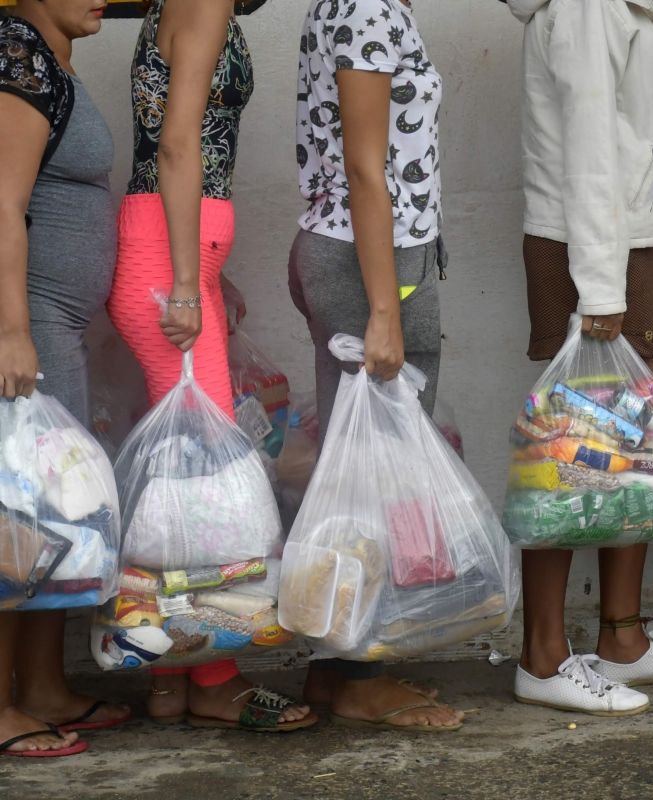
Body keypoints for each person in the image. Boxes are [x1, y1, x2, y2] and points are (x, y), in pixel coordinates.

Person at [506, 0, 653, 717]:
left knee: (630, 445)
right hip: (592, 248)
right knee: (574, 453)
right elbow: (591, 150)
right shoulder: (589, 6)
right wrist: (601, 289)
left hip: (617, 242)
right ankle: (542, 656)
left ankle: (623, 640)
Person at [106, 0, 314, 732]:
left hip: (169, 249)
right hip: (167, 262)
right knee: (206, 489)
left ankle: (174, 682)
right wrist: (189, 280)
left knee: (187, 475)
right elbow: (176, 144)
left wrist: (205, 273)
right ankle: (210, 678)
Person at [289, 0, 463, 732]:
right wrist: (385, 310)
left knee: (360, 471)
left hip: (371, 258)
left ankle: (339, 667)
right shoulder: (365, 8)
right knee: (377, 484)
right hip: (371, 268)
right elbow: (366, 165)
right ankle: (361, 672)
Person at [0, 0, 130, 758]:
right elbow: (3, 202)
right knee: (16, 521)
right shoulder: (15, 50)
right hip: (30, 329)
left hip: (58, 330)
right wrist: (12, 331)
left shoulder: (48, 58)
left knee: (55, 519)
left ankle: (43, 685)